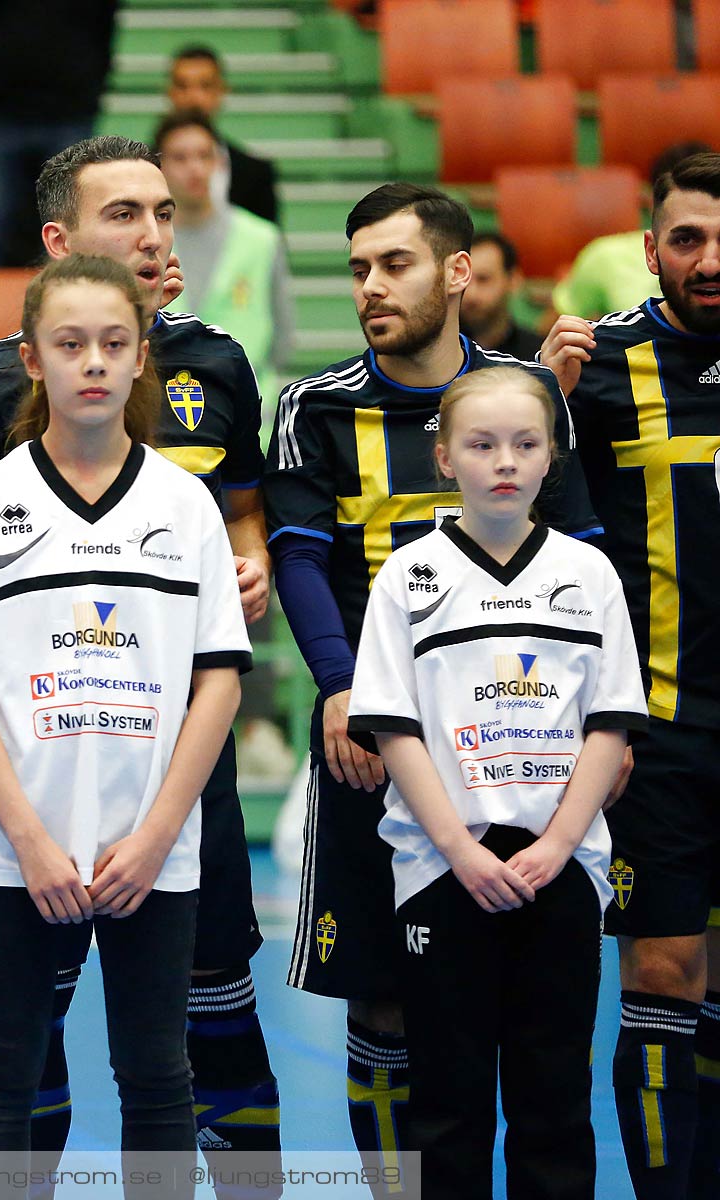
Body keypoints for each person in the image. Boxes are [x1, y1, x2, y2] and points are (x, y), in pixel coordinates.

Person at [0, 136, 281, 1195]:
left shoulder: (215, 372)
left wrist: (238, 567)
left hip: (171, 776)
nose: (154, 234)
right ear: (58, 240)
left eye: (164, 212)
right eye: (125, 213)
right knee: (17, 1049)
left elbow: (244, 529)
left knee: (190, 1033)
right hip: (31, 785)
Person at [263, 182, 603, 1194]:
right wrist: (341, 687)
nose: (371, 286)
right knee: (381, 1002)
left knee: (536, 1016)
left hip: (525, 750)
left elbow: (584, 563)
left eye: (395, 264)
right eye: (359, 267)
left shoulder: (526, 401)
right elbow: (299, 561)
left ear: (459, 273)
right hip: (376, 749)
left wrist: (597, 731)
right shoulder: (313, 407)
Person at [348, 367, 645, 1198]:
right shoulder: (408, 578)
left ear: (553, 456)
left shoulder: (590, 577)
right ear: (445, 457)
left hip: (562, 869)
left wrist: (557, 842)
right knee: (448, 1100)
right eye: (481, 445)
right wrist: (458, 850)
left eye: (525, 443)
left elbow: (610, 724)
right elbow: (394, 728)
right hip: (445, 871)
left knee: (554, 1099)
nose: (504, 461)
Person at [541, 149, 720, 1200]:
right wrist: (549, 396)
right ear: (648, 250)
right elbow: (502, 500)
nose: (708, 261)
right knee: (661, 976)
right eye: (687, 239)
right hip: (656, 730)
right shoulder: (601, 365)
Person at [0, 0, 116, 278]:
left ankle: (75, 319)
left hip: (67, 115)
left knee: (71, 242)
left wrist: (85, 94)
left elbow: (103, 31)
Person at [155, 109, 292, 381]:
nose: (194, 168)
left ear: (219, 163)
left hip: (250, 405)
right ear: (159, 167)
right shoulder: (147, 241)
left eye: (204, 156)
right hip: (165, 404)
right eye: (180, 157)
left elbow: (283, 333)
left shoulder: (262, 238)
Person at [545, 141, 711, 327]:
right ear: (652, 202)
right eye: (686, 239)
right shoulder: (605, 256)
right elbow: (553, 328)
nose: (709, 266)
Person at [164, 46, 278, 226]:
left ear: (221, 91)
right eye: (183, 85)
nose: (194, 97)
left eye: (205, 86)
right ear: (170, 92)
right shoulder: (140, 169)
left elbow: (269, 246)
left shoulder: (255, 174)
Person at [459, 232, 540, 361]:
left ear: (513, 280)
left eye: (483, 279)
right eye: (464, 279)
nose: (470, 293)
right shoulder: (434, 352)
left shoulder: (537, 357)